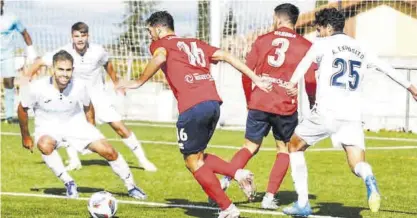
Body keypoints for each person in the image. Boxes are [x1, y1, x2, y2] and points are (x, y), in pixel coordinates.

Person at [116, 11, 272, 218]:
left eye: (150, 30)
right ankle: (237, 173)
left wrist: (137, 82)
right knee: (197, 156)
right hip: (213, 103)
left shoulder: (160, 44)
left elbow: (160, 56)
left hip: (192, 106)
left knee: (192, 161)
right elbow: (226, 55)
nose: (149, 35)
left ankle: (228, 209)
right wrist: (256, 78)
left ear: (160, 28)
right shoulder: (195, 43)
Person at [281, 8, 417, 216]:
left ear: (327, 27)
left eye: (319, 29)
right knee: (357, 163)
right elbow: (386, 68)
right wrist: (411, 87)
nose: (318, 33)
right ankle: (369, 177)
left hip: (326, 112)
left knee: (294, 146)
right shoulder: (361, 47)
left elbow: (303, 65)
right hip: (352, 116)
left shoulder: (322, 44)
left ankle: (302, 203)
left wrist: (291, 83)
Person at [216, 3, 317, 209]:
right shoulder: (305, 45)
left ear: (277, 18)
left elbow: (246, 74)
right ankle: (269, 198)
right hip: (285, 106)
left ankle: (225, 180)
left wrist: (249, 101)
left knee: (249, 147)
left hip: (259, 101)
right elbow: (310, 81)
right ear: (294, 21)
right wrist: (313, 104)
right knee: (284, 150)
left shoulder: (262, 40)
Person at [25, 22, 157, 172]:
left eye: (83, 35)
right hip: (76, 99)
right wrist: (26, 77)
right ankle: (74, 161)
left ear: (88, 36)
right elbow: (40, 62)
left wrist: (116, 82)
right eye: (76, 36)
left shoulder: (98, 51)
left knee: (119, 127)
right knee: (67, 128)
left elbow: (107, 64)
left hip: (99, 97)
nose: (79, 39)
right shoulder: (64, 52)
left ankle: (143, 160)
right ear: (72, 37)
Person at [18, 50, 147, 200]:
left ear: (73, 70)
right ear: (52, 69)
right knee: (44, 145)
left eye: (68, 70)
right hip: (48, 127)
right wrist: (26, 136)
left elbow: (88, 105)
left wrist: (91, 127)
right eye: (60, 69)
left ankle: (131, 186)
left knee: (108, 150)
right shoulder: (36, 88)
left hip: (75, 124)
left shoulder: (79, 86)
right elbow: (22, 109)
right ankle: (69, 183)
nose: (64, 74)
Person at [0, 0, 37, 124]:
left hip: (8, 56)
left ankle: (9, 116)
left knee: (8, 81)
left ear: (2, 3)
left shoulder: (12, 19)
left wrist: (31, 51)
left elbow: (24, 33)